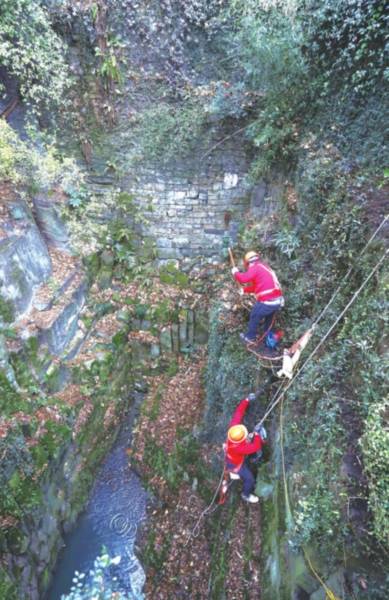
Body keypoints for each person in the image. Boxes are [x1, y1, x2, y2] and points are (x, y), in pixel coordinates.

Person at [231, 250, 284, 344]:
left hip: (268, 301)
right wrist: (244, 290)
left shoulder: (255, 267)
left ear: (247, 262)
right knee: (269, 320)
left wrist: (235, 273)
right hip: (277, 301)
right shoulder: (264, 267)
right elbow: (256, 287)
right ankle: (268, 338)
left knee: (255, 315)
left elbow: (243, 279)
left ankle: (250, 337)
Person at [224, 394, 266, 503]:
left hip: (232, 458)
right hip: (236, 464)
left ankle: (234, 473)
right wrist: (256, 435)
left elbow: (238, 413)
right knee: (250, 479)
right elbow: (256, 446)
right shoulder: (240, 448)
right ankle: (246, 494)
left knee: (243, 461)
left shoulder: (233, 430)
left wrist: (246, 400)